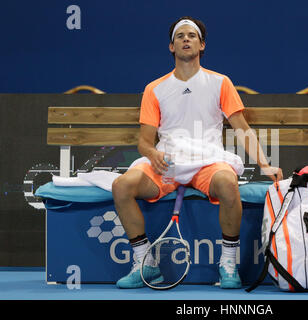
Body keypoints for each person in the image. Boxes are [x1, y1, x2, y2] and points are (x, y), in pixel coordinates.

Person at [112, 16, 283, 289]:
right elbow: (144, 141)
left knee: (228, 184)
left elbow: (243, 129)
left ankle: (228, 264)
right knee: (122, 186)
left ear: (201, 45)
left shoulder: (220, 83)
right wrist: (153, 154)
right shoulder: (154, 89)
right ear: (171, 47)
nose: (186, 40)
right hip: (167, 164)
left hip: (207, 162)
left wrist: (265, 164)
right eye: (180, 36)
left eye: (192, 36)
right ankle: (145, 262)